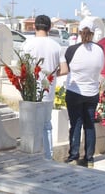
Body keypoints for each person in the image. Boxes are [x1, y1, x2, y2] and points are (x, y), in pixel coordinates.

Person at [60, 18, 105, 168]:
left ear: (79, 32)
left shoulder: (72, 50)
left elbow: (66, 68)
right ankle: (89, 159)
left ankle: (73, 156)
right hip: (92, 93)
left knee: (76, 124)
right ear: (93, 33)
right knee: (89, 125)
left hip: (75, 91)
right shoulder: (100, 50)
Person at [21, 15, 62, 160]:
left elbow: (23, 68)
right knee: (46, 125)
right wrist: (52, 73)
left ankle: (31, 155)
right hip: (48, 90)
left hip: (31, 90)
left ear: (34, 27)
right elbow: (64, 69)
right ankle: (48, 156)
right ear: (50, 27)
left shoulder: (27, 44)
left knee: (31, 124)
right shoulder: (56, 46)